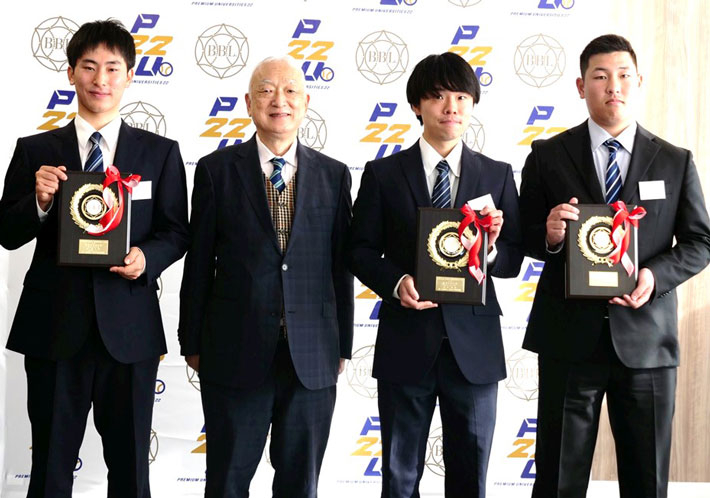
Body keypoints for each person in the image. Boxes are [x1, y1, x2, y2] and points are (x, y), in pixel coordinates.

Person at [0, 19, 189, 498]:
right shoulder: (35, 150)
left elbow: (177, 230)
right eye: (89, 67)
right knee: (49, 467)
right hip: (53, 327)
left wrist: (147, 257)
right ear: (70, 73)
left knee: (130, 470)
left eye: (112, 68)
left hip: (129, 331)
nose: (100, 79)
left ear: (129, 76)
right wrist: (39, 203)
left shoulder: (160, 153)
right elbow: (6, 232)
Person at [519, 34, 710, 497]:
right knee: (558, 480)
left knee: (647, 481)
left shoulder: (675, 160)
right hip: (569, 339)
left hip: (646, 340)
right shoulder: (547, 155)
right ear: (581, 86)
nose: (613, 87)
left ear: (639, 81)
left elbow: (700, 242)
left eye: (624, 75)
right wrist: (549, 235)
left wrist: (654, 276)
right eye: (601, 77)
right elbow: (519, 237)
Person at [348, 52, 523, 498]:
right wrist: (395, 283)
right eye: (439, 96)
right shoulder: (384, 174)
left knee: (471, 475)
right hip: (407, 340)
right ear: (416, 106)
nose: (452, 107)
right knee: (400, 476)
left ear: (473, 104)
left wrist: (491, 247)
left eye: (462, 96)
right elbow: (358, 249)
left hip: (475, 348)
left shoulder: (498, 175)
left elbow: (513, 260)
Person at [178, 56, 353, 498]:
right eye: (267, 90)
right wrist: (192, 342)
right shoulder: (216, 171)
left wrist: (343, 344)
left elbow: (340, 266)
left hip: (311, 357)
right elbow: (198, 263)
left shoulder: (334, 175)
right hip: (233, 352)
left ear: (306, 102)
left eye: (291, 90)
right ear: (248, 103)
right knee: (228, 480)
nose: (280, 100)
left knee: (300, 483)